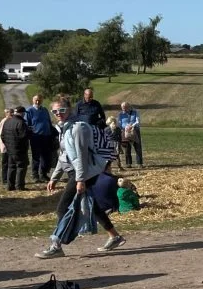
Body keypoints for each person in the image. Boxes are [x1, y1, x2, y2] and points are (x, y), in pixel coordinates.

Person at [36, 98, 127, 259]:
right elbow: (63, 155)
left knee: (62, 208)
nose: (59, 114)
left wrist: (80, 180)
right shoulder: (63, 128)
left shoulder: (78, 128)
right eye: (55, 111)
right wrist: (55, 178)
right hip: (78, 172)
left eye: (62, 110)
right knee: (93, 206)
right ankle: (115, 236)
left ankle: (56, 245)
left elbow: (81, 156)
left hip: (84, 172)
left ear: (70, 109)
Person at [26, 93, 55, 181]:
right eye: (36, 100)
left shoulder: (45, 110)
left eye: (39, 100)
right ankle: (35, 175)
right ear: (33, 100)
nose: (38, 102)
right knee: (36, 157)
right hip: (36, 137)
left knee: (46, 156)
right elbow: (27, 124)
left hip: (46, 136)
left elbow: (49, 122)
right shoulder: (29, 111)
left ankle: (43, 174)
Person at [1, 106, 29, 191]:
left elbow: (2, 135)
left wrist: (8, 145)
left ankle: (10, 186)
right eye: (24, 113)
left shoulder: (7, 121)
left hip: (10, 149)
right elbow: (23, 136)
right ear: (22, 113)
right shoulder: (21, 123)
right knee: (21, 166)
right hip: (19, 149)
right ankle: (19, 186)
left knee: (11, 167)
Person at [119, 101, 143, 169]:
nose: (123, 109)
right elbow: (120, 123)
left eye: (125, 107)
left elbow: (138, 121)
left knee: (138, 147)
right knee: (127, 148)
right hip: (125, 131)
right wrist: (126, 126)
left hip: (135, 130)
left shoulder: (135, 112)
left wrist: (132, 126)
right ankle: (128, 163)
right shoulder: (120, 114)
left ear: (129, 107)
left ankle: (139, 163)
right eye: (122, 108)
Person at [0, 107, 10, 187]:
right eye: (9, 112)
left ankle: (8, 178)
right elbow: (2, 135)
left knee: (9, 163)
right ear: (6, 113)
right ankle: (5, 179)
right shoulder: (4, 121)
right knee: (5, 163)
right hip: (5, 146)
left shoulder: (9, 121)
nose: (11, 114)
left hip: (8, 146)